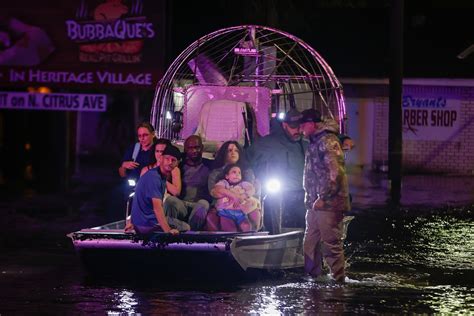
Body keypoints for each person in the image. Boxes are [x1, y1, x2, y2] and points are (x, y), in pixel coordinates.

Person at [247, 108, 353, 230]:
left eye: (300, 126)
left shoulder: (309, 140)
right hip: (283, 193)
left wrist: (343, 138)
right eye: (293, 127)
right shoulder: (268, 143)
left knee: (311, 227)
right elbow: (247, 160)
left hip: (307, 193)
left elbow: (327, 139)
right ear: (284, 125)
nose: (298, 130)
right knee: (277, 215)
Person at [299, 109, 351, 283]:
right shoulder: (315, 142)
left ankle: (338, 280)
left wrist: (324, 198)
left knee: (331, 243)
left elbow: (335, 173)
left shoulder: (328, 142)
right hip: (315, 203)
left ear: (313, 124)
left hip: (328, 203)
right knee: (310, 241)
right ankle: (312, 277)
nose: (301, 129)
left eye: (303, 125)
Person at [129, 144, 190, 235]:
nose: (170, 162)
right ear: (160, 159)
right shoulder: (154, 177)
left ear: (177, 164)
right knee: (186, 227)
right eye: (167, 159)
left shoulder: (161, 177)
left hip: (145, 222)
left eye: (173, 160)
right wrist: (168, 231)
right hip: (147, 224)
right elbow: (157, 208)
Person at [206, 140, 260, 231]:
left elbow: (250, 190)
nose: (233, 153)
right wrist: (234, 196)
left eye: (236, 150)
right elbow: (215, 192)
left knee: (252, 216)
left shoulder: (247, 171)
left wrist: (242, 196)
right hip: (224, 205)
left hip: (244, 204)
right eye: (229, 150)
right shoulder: (216, 173)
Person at [163, 135, 211, 230]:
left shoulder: (210, 165)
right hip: (182, 204)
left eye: (197, 147)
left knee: (203, 204)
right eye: (190, 148)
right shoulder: (179, 166)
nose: (194, 151)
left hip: (199, 204)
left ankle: (190, 235)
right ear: (185, 149)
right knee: (170, 200)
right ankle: (170, 234)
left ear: (202, 148)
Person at [212, 164, 260, 232]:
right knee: (229, 229)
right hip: (226, 212)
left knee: (246, 226)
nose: (237, 174)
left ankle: (248, 240)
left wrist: (243, 196)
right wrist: (235, 197)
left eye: (239, 173)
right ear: (227, 176)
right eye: (234, 172)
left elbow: (251, 189)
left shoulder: (243, 184)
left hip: (240, 212)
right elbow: (218, 189)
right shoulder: (224, 183)